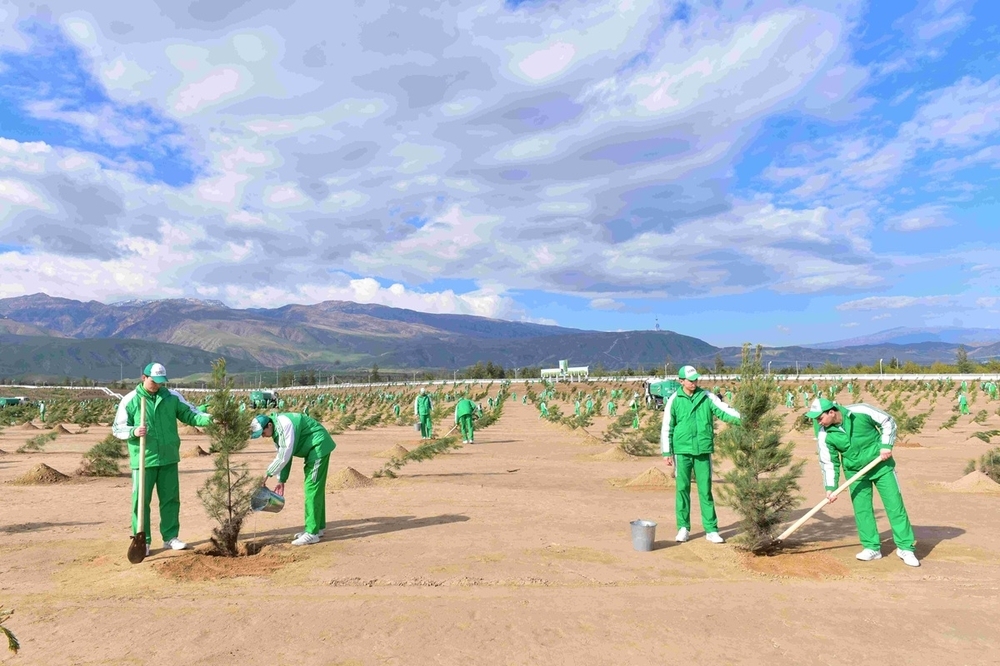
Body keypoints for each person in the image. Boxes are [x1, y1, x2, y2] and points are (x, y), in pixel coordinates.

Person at [112, 362, 212, 555]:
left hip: (168, 457)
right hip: (143, 459)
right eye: (154, 381)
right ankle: (143, 540)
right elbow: (117, 428)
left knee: (170, 499)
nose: (157, 385)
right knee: (141, 502)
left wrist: (212, 419)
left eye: (161, 382)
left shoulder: (172, 397)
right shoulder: (130, 400)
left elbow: (192, 415)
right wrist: (133, 431)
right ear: (144, 378)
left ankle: (170, 537)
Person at [806, 398, 919, 567]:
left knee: (895, 506)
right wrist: (831, 487)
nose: (817, 421)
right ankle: (871, 547)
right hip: (855, 473)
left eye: (819, 417)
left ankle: (905, 548)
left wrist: (886, 444)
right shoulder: (823, 433)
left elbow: (887, 421)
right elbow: (829, 461)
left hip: (881, 466)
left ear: (831, 412)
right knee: (862, 510)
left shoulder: (861, 411)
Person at [661, 365, 741, 544]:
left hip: (703, 450)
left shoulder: (707, 397)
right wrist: (667, 451)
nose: (694, 382)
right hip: (682, 451)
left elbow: (724, 411)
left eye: (696, 379)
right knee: (682, 489)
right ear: (681, 381)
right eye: (691, 380)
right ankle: (683, 527)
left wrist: (744, 419)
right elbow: (667, 426)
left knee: (705, 491)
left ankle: (711, 530)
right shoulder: (674, 400)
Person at [253, 412, 336, 546]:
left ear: (269, 425)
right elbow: (285, 456)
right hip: (313, 450)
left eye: (262, 433)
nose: (263, 436)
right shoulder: (276, 433)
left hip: (318, 447)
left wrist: (267, 474)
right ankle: (318, 528)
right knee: (315, 489)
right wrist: (281, 479)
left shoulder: (284, 425)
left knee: (312, 489)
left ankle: (312, 533)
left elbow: (284, 455)